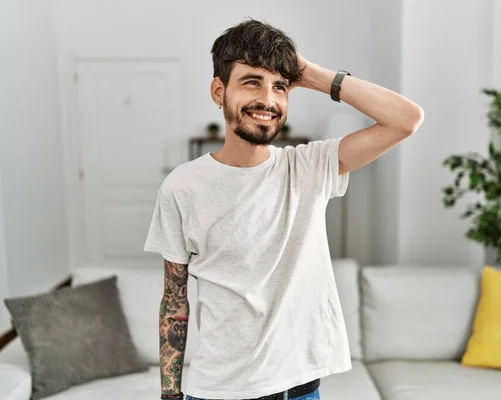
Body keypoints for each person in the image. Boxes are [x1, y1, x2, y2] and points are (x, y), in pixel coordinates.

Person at [144, 18, 424, 400]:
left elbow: (406, 120)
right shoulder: (182, 185)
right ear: (218, 91)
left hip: (299, 389)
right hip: (219, 391)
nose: (268, 100)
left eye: (280, 86)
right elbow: (175, 301)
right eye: (251, 82)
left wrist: (312, 75)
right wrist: (169, 394)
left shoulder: (307, 166)